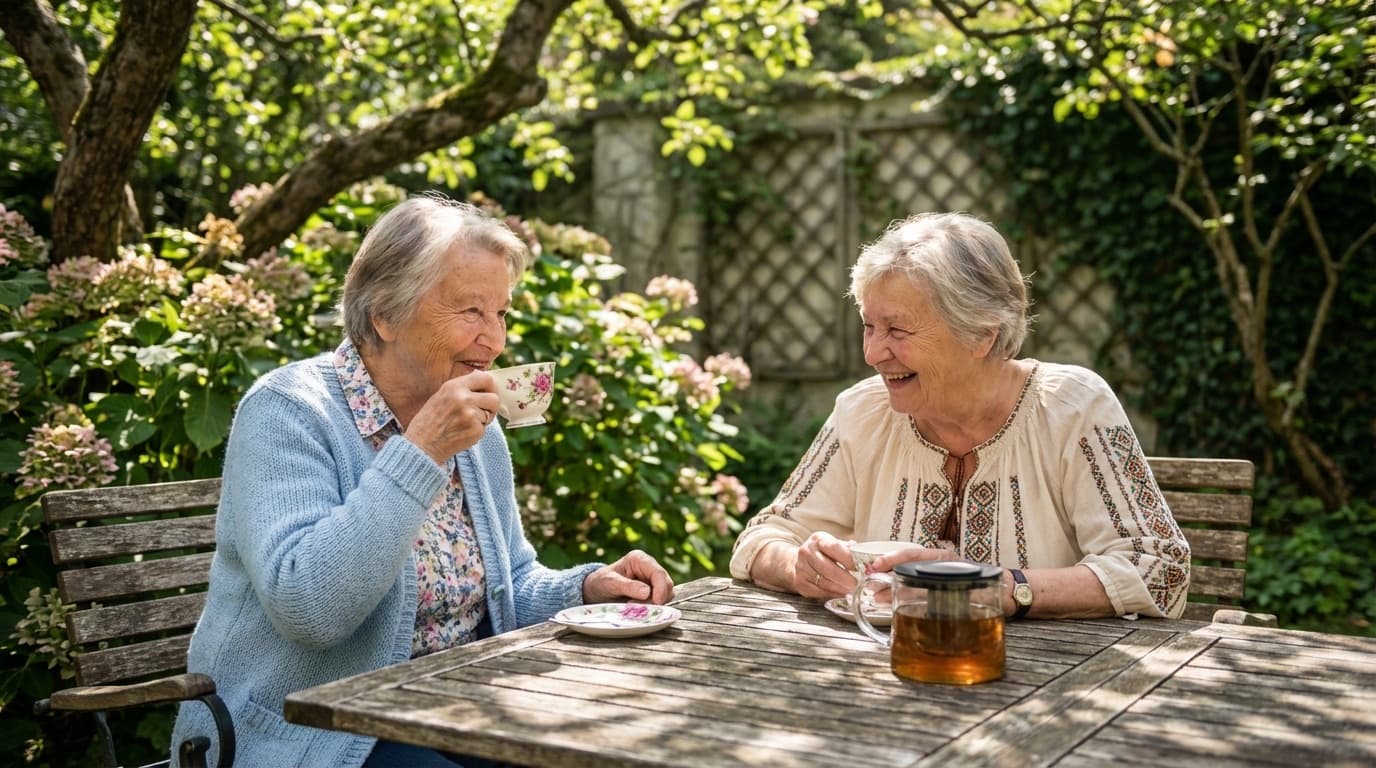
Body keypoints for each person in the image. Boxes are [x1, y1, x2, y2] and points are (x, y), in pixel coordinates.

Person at [171, 194, 674, 768]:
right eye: (470, 312)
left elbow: (510, 581)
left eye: (501, 313)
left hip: (453, 708)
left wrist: (585, 590)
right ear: (384, 313)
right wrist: (422, 450)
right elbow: (308, 610)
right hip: (307, 731)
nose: (496, 340)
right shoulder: (289, 411)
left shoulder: (475, 429)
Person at [730, 212, 1189, 620]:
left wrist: (995, 589)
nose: (872, 352)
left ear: (981, 335)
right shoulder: (862, 411)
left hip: (1047, 681)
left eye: (897, 330)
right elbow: (762, 539)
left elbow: (1160, 569)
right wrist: (800, 567)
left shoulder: (1072, 407)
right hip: (882, 673)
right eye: (868, 326)